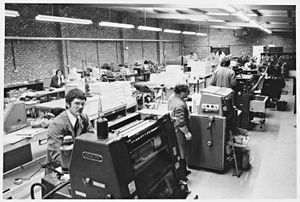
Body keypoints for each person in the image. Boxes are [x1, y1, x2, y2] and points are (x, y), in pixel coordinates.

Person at [46, 88, 94, 167]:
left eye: (83, 104)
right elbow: (57, 155)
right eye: (77, 103)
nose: (80, 107)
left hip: (78, 160)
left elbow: (92, 138)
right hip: (60, 168)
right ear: (68, 104)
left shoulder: (84, 118)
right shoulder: (56, 124)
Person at [168, 83, 192, 181]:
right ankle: (182, 175)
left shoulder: (172, 97)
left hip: (173, 128)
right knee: (182, 152)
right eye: (187, 92)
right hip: (179, 130)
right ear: (182, 92)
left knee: (178, 150)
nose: (188, 94)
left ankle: (183, 171)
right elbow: (181, 122)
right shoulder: (180, 104)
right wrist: (187, 133)